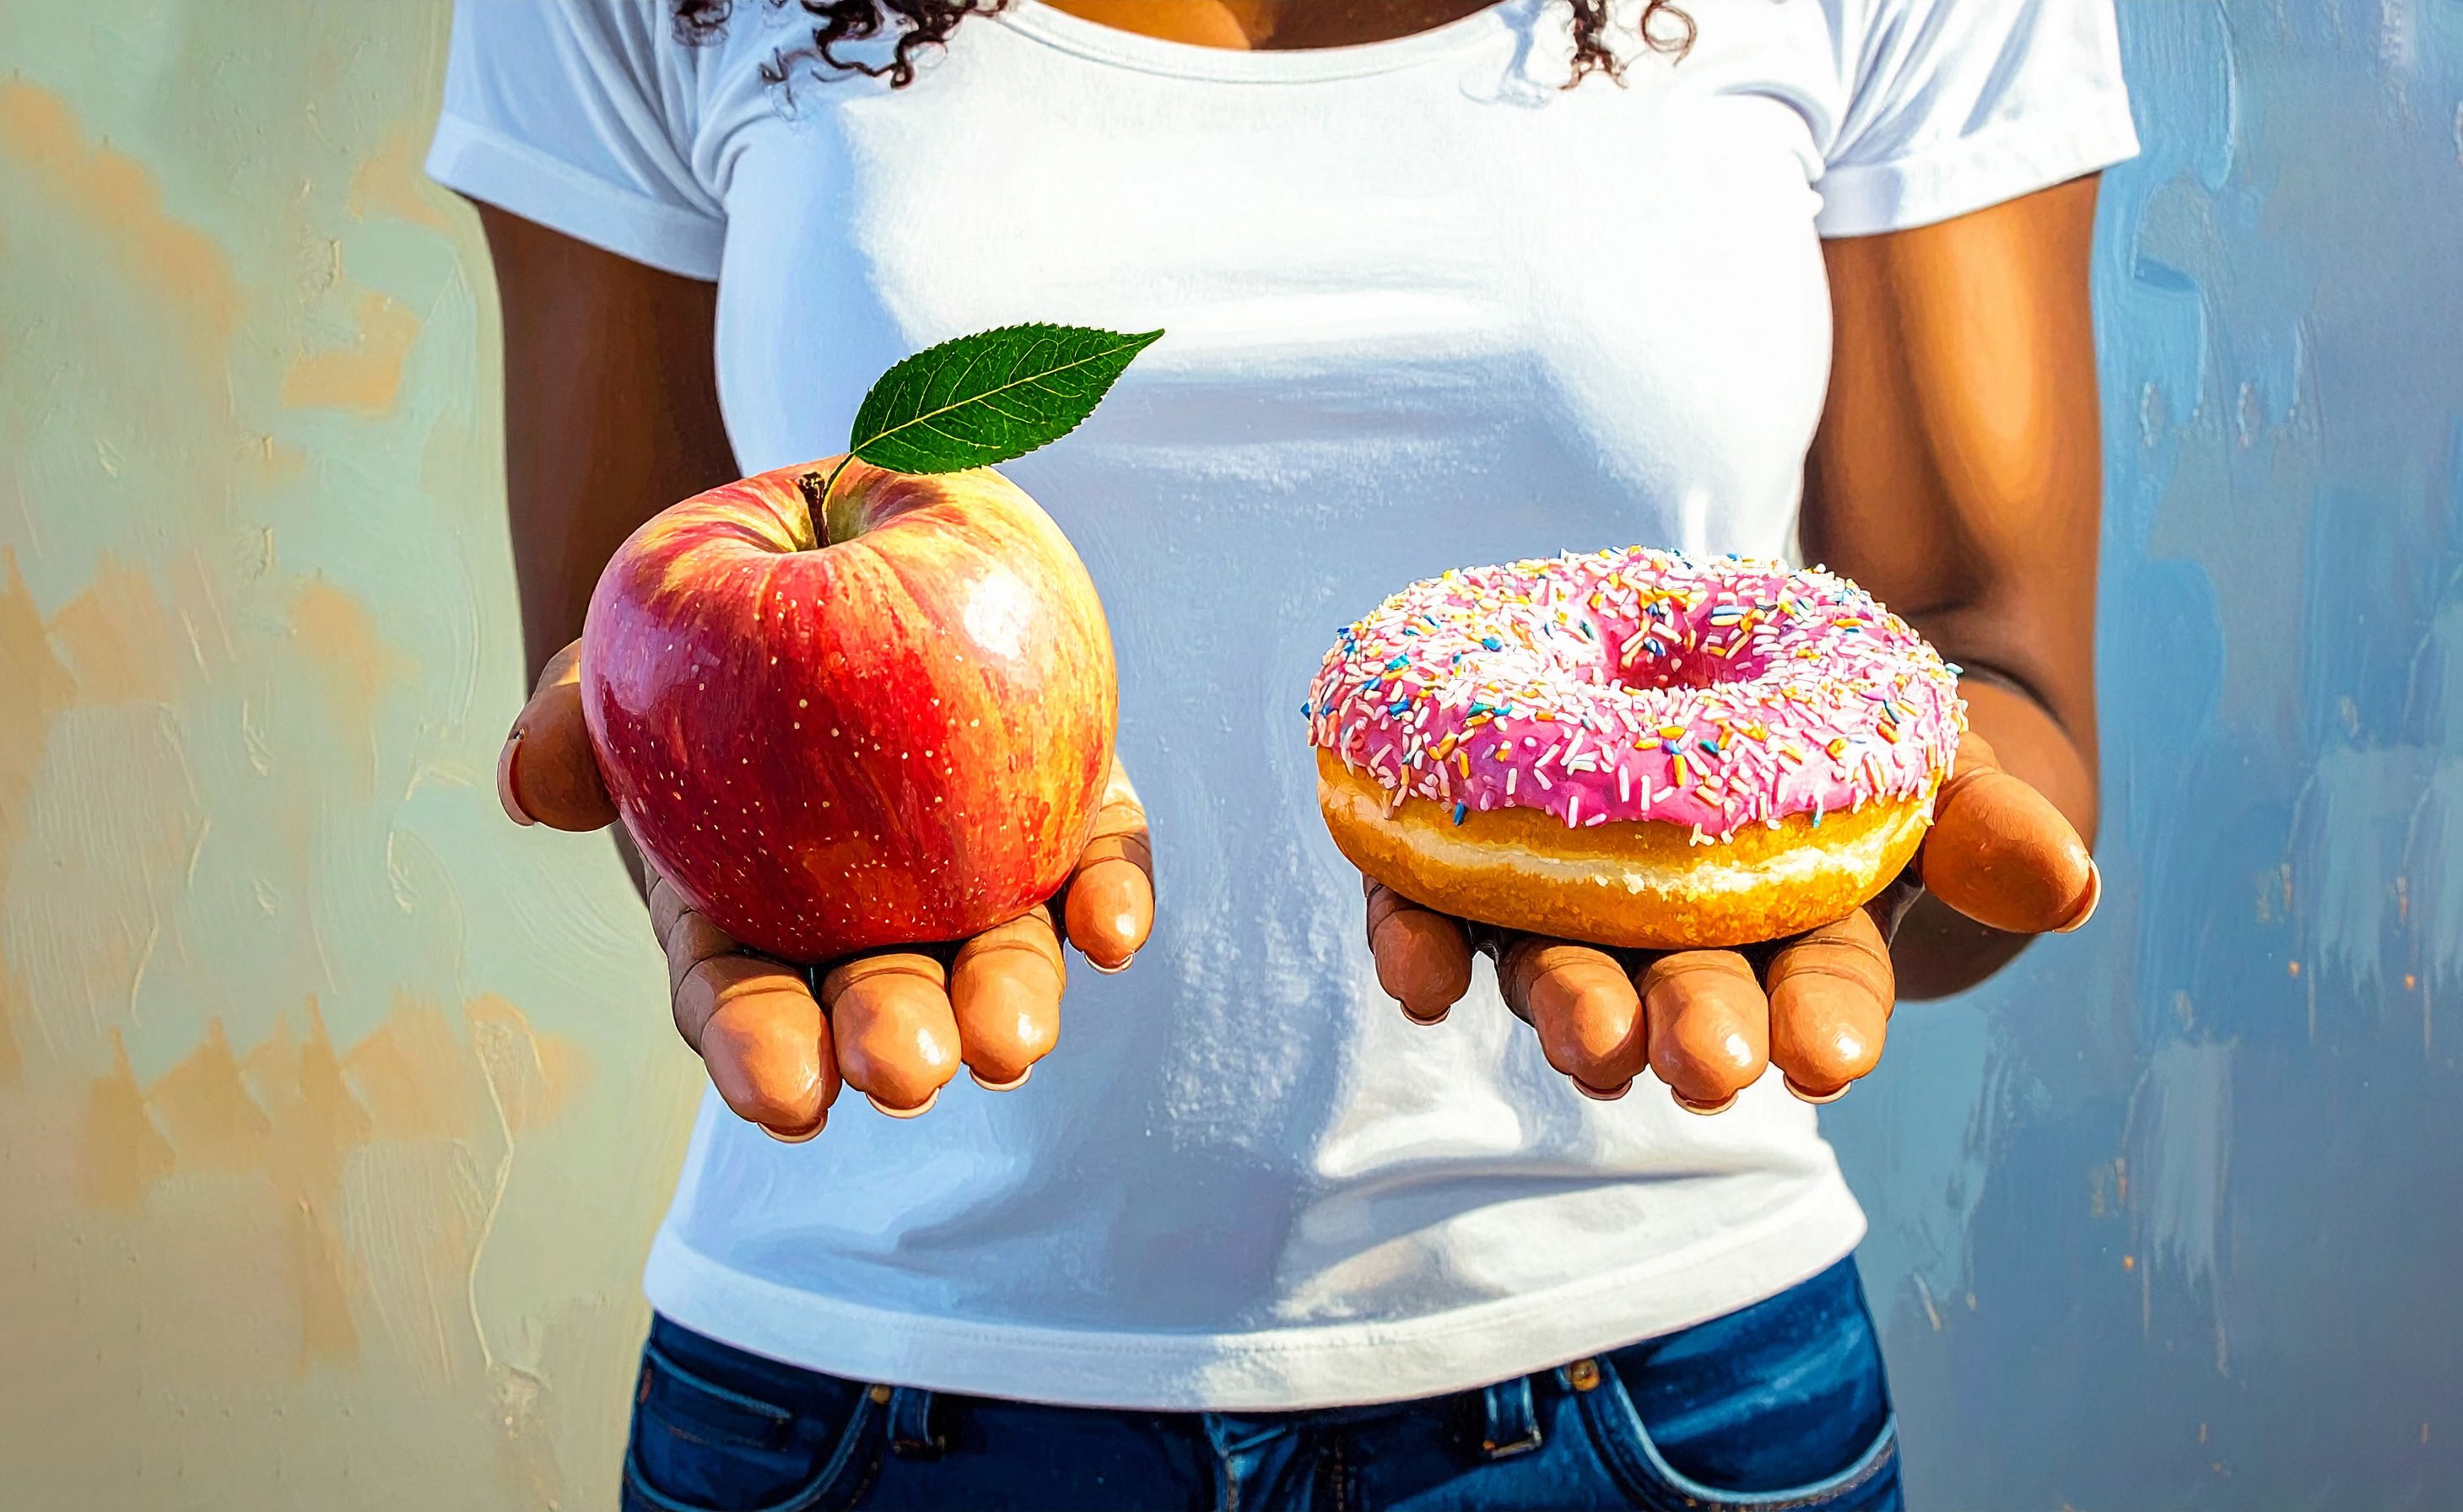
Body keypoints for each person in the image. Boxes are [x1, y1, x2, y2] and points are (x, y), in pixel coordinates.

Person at [431, 1, 2126, 1506]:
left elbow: (1992, 664)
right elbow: (636, 647)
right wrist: (662, 773)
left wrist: (1875, 858)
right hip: (863, 1396)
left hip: (1660, 1394)